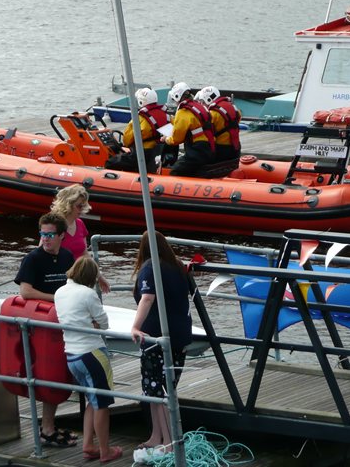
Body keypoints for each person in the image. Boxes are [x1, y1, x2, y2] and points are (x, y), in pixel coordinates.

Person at [14, 213, 77, 447]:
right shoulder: (33, 259)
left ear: (61, 235)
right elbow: (26, 292)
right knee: (47, 376)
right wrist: (57, 298)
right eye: (42, 234)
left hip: (63, 323)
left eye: (50, 234)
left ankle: (48, 426)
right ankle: (46, 429)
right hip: (39, 326)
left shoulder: (68, 256)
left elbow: (76, 285)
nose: (46, 239)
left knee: (61, 374)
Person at [55, 257, 123, 464]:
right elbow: (104, 323)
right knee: (101, 403)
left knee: (91, 402)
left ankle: (88, 445)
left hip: (72, 355)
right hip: (92, 353)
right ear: (91, 277)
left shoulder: (60, 292)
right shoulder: (88, 293)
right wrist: (94, 323)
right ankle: (104, 450)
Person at [130, 231, 192, 455]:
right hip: (180, 335)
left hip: (156, 337)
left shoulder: (150, 267)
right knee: (166, 388)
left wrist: (135, 326)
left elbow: (147, 297)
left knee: (157, 390)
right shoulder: (177, 265)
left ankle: (167, 441)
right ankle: (157, 435)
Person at [49, 185, 110, 293]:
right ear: (68, 205)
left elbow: (85, 254)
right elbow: (42, 253)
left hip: (78, 279)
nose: (82, 209)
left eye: (83, 206)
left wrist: (99, 276)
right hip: (59, 279)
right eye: (79, 206)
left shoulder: (80, 224)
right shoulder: (54, 225)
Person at [104, 88, 169, 173]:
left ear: (141, 101)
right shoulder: (166, 115)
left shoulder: (139, 118)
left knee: (111, 163)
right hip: (159, 151)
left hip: (142, 154)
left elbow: (127, 140)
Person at [161, 82, 215, 177]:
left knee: (175, 171)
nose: (174, 101)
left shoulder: (183, 111)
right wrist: (173, 120)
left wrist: (165, 139)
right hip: (209, 147)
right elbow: (191, 122)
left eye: (174, 98)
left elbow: (176, 139)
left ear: (178, 96)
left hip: (197, 150)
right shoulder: (198, 106)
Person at [195, 86, 242, 163]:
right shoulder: (233, 107)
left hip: (222, 150)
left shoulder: (212, 114)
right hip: (236, 148)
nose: (202, 104)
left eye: (202, 102)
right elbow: (238, 119)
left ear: (208, 99)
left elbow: (208, 132)